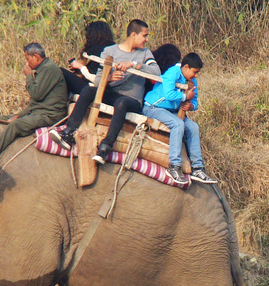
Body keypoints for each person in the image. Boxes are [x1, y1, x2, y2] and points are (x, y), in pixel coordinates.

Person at [50, 19, 157, 165]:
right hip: (113, 94)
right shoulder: (109, 51)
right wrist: (110, 78)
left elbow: (156, 72)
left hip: (131, 101)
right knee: (88, 90)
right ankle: (68, 132)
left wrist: (134, 65)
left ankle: (106, 147)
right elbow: (98, 81)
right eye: (144, 35)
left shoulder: (145, 53)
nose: (147, 39)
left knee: (121, 102)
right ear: (133, 35)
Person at [143, 52, 217, 185]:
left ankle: (197, 168)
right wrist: (184, 98)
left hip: (172, 111)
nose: (196, 76)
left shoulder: (192, 80)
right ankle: (174, 166)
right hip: (154, 108)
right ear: (186, 67)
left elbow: (195, 101)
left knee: (193, 127)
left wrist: (190, 105)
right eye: (195, 72)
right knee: (178, 124)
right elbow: (169, 94)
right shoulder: (173, 73)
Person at [0, 42, 68, 158]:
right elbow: (35, 103)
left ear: (36, 57)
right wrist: (19, 115)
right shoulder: (43, 69)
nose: (27, 63)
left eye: (28, 59)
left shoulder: (49, 69)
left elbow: (36, 95)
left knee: (15, 125)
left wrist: (29, 76)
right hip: (39, 112)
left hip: (49, 115)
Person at [61, 20, 114, 98]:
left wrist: (80, 67)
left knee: (60, 72)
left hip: (93, 88)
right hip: (105, 90)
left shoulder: (96, 50)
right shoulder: (113, 48)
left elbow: (94, 77)